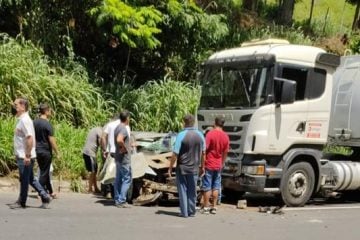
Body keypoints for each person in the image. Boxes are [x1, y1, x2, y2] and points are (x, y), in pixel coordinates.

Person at [10, 97, 51, 209]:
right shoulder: (22, 119)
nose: (14, 107)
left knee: (24, 179)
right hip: (23, 155)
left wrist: (27, 156)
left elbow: (29, 138)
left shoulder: (25, 120)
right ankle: (45, 196)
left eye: (16, 105)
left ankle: (21, 201)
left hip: (25, 156)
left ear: (23, 107)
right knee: (30, 179)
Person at [168, 114, 205, 218]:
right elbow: (203, 153)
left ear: (184, 122)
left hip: (182, 167)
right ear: (193, 122)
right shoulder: (200, 135)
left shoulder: (181, 135)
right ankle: (191, 211)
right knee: (192, 190)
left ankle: (184, 212)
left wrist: (170, 167)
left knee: (183, 189)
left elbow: (175, 153)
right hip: (194, 168)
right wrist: (203, 166)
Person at [201, 116, 229, 214]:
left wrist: (202, 163)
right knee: (216, 186)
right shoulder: (226, 136)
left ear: (215, 123)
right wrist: (222, 162)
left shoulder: (210, 134)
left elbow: (204, 149)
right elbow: (225, 152)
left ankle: (206, 207)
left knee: (207, 186)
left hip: (209, 163)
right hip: (218, 165)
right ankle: (214, 207)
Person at [33, 103, 60, 199]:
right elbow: (51, 140)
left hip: (37, 150)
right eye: (50, 110)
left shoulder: (34, 122)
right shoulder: (47, 124)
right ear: (46, 111)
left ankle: (51, 192)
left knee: (45, 171)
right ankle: (40, 192)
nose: (51, 112)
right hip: (45, 151)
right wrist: (57, 152)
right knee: (44, 173)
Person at [113, 110, 132, 208]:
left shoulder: (117, 127)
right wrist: (124, 148)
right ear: (127, 118)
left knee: (118, 179)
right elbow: (119, 139)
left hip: (118, 157)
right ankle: (122, 200)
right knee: (127, 179)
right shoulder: (123, 128)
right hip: (124, 159)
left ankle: (117, 199)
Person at [83, 127, 103, 193]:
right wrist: (104, 149)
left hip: (89, 152)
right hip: (90, 153)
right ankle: (89, 189)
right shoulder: (99, 130)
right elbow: (101, 141)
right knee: (92, 171)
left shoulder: (95, 129)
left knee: (95, 170)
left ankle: (95, 188)